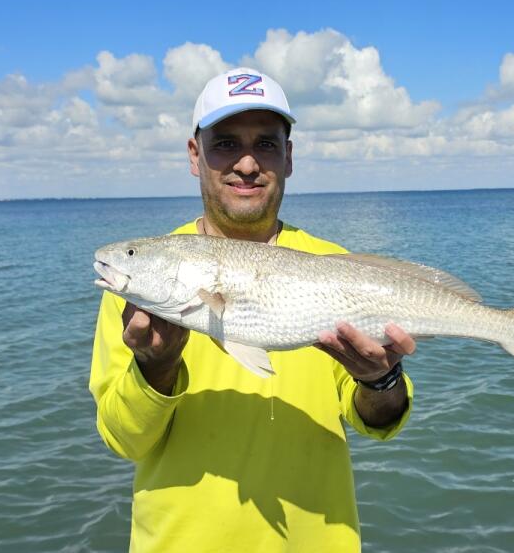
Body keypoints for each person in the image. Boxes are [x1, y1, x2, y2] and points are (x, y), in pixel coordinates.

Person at [88, 67, 416, 552]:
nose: (246, 163)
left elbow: (379, 422)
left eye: (265, 144)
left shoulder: (336, 266)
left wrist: (380, 380)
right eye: (225, 144)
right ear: (194, 154)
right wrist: (155, 367)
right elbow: (123, 441)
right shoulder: (133, 295)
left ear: (289, 157)